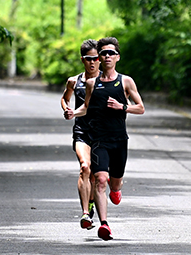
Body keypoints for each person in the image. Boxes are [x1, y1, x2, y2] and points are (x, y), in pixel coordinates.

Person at [68, 36, 144, 241]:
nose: (107, 56)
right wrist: (72, 113)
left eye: (111, 53)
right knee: (100, 179)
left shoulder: (126, 81)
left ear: (117, 57)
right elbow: (85, 107)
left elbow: (141, 108)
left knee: (114, 183)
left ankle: (116, 190)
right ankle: (104, 224)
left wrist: (123, 107)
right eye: (103, 53)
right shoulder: (92, 84)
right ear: (99, 58)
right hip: (98, 139)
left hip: (119, 139)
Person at [61, 39, 100, 230]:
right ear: (82, 60)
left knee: (95, 175)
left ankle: (91, 202)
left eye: (95, 58)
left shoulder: (107, 81)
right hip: (82, 131)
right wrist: (67, 109)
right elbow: (65, 98)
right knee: (85, 167)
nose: (92, 62)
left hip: (102, 133)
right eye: (88, 59)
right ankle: (85, 213)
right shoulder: (73, 81)